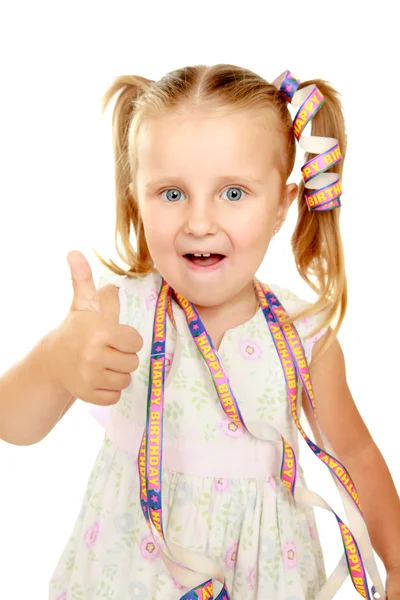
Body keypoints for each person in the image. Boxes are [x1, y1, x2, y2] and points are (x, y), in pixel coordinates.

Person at [1, 65, 399, 600]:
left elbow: (356, 453)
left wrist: (396, 565)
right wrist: (54, 362)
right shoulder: (118, 312)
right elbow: (14, 425)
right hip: (126, 578)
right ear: (135, 198)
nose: (199, 221)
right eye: (171, 194)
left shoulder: (306, 337)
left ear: (282, 204)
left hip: (264, 579)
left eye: (233, 193)